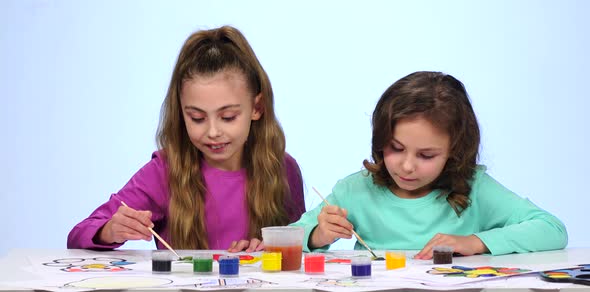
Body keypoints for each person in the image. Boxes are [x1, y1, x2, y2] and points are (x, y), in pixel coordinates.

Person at [68, 25, 305, 252]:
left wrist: (271, 250)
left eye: (228, 117)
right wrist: (110, 230)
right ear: (181, 113)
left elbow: (300, 249)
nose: (213, 131)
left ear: (257, 107)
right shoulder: (164, 171)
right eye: (197, 118)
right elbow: (78, 235)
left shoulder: (282, 169)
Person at [292, 71, 567, 259]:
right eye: (396, 148)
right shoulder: (355, 190)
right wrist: (318, 234)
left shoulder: (474, 189)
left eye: (426, 155)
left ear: (454, 152)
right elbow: (288, 238)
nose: (408, 166)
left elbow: (551, 228)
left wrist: (473, 242)